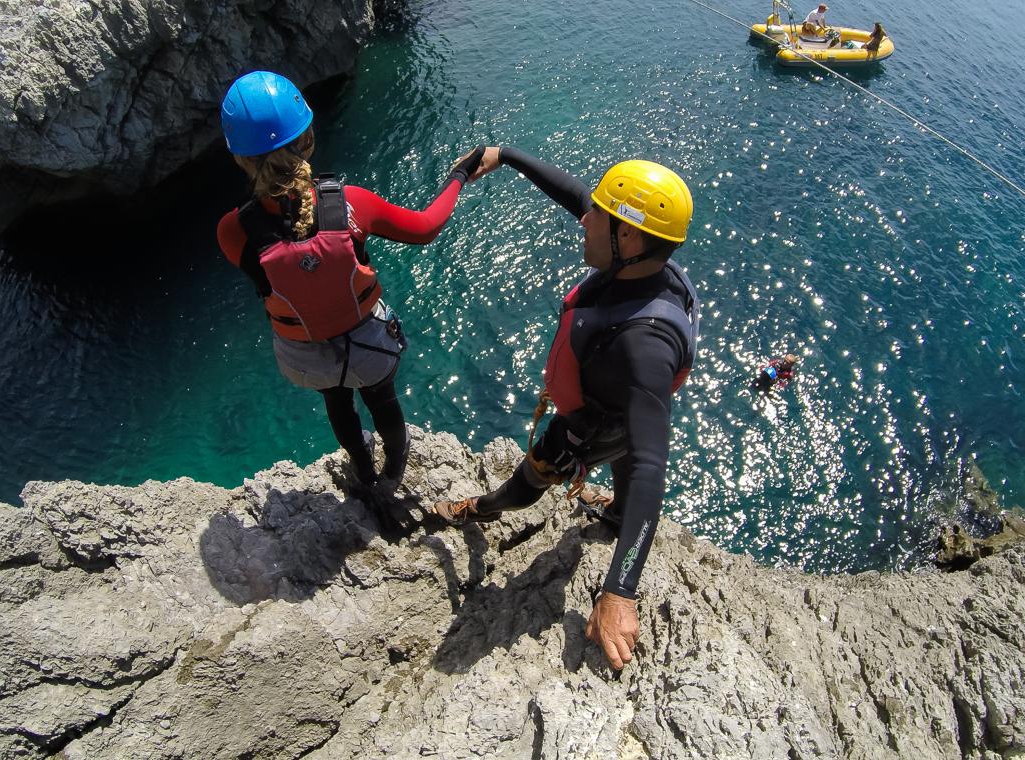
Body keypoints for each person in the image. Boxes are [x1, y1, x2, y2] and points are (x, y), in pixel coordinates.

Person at [431, 148, 700, 671]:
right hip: (622, 417)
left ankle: (484, 510)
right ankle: (618, 516)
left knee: (529, 482)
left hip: (589, 431)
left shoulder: (644, 344)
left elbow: (652, 465)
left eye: (599, 217)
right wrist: (506, 157)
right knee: (623, 464)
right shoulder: (644, 267)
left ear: (629, 237)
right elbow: (576, 195)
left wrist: (620, 592)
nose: (585, 221)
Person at [217, 71, 484, 489]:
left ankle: (362, 471)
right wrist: (461, 176)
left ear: (240, 158)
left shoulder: (232, 232)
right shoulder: (351, 204)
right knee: (383, 402)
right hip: (368, 347)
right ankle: (392, 475)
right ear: (307, 139)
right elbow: (427, 227)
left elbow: (283, 261)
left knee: (337, 404)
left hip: (306, 359)